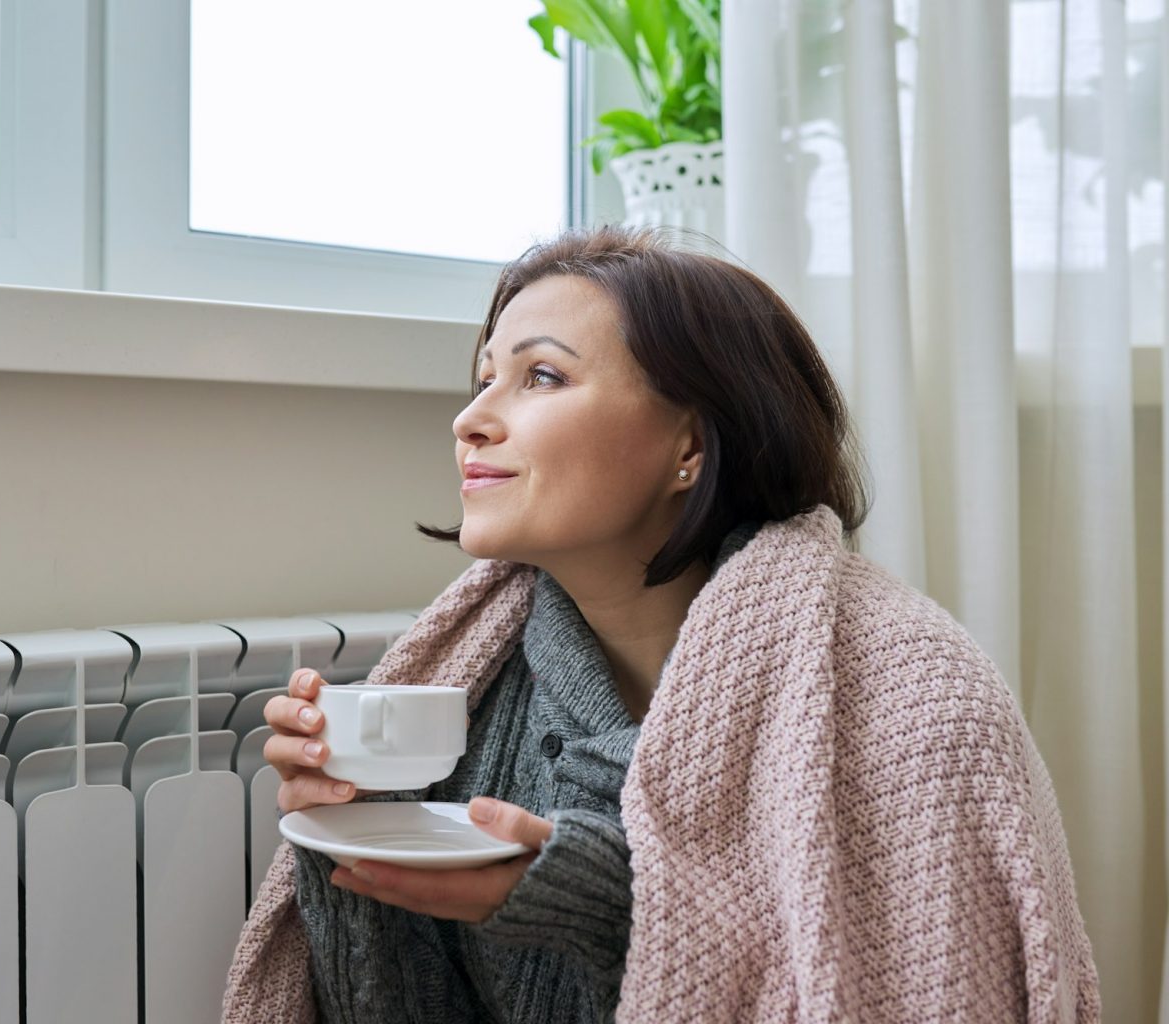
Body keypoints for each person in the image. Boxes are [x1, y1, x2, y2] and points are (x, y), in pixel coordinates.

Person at [222, 225, 1100, 1023]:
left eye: (542, 376)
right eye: (485, 379)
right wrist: (356, 829)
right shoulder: (476, 691)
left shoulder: (915, 701)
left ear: (691, 445)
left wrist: (608, 899)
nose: (469, 420)